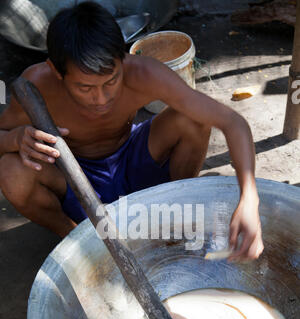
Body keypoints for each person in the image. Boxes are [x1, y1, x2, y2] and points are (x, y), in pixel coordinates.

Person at [0, 1, 263, 262]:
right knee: (10, 170)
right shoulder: (36, 85)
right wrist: (15, 138)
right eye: (85, 88)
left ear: (123, 60)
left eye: (111, 81)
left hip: (133, 161)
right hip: (74, 179)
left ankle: (172, 214)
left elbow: (232, 122)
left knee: (192, 118)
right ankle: (78, 241)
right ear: (57, 72)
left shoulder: (143, 73)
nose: (101, 98)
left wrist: (249, 201)